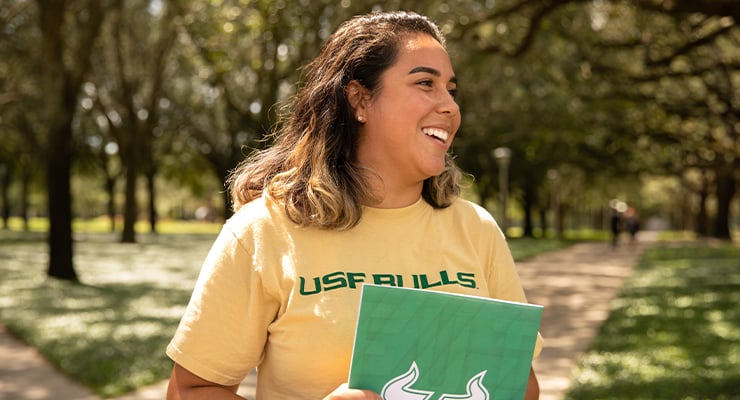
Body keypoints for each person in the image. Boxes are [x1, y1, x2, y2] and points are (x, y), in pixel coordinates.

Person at [166, 10, 542, 400]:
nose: (449, 106)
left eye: (451, 89)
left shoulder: (476, 229)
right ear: (360, 100)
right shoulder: (264, 231)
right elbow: (190, 390)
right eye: (425, 83)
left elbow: (522, 385)